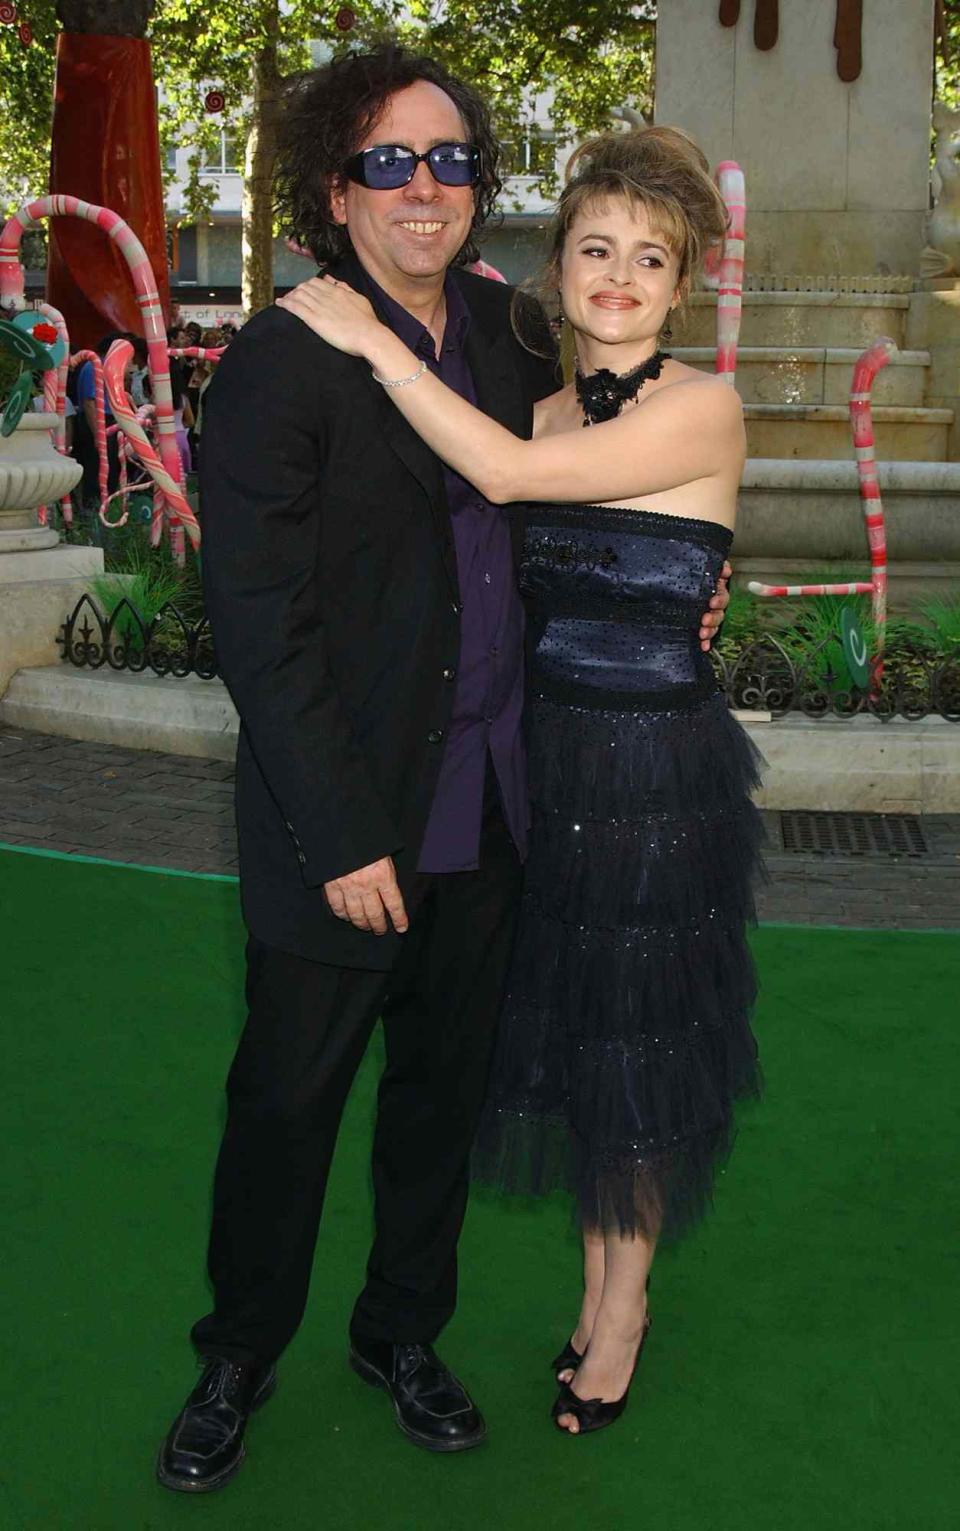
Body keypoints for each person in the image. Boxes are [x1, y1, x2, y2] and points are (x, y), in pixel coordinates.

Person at [156, 49, 728, 1493]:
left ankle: (404, 1334)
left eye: (452, 161)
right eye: (390, 164)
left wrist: (679, 590)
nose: (426, 189)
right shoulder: (283, 358)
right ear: (334, 190)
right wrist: (342, 834)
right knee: (286, 1105)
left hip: (500, 805)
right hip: (338, 823)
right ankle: (237, 1358)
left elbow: (592, 491)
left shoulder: (517, 336)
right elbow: (260, 625)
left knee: (440, 1106)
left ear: (482, 188)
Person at [277, 123, 762, 1439]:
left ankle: (621, 1313)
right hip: (543, 774)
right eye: (596, 248)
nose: (617, 276)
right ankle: (599, 1292)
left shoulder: (701, 404)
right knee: (582, 1045)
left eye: (647, 258)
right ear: (560, 264)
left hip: (657, 775)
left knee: (642, 1051)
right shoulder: (536, 393)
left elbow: (505, 481)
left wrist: (367, 337)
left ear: (683, 282)